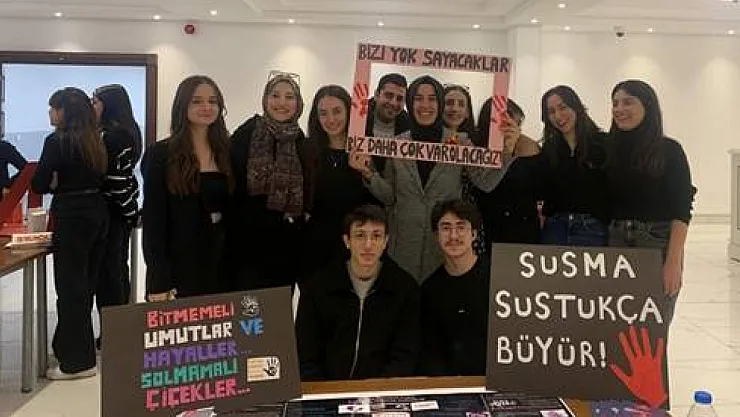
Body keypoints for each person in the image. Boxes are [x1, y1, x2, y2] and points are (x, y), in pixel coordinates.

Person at [350, 75, 509, 282]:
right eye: (418, 98)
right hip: (402, 250)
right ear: (410, 103)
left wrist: (506, 151)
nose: (425, 105)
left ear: (440, 103)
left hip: (443, 251)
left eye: (432, 98)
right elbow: (390, 197)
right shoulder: (397, 144)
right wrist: (368, 173)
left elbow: (485, 183)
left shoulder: (459, 142)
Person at [31, 88, 109, 380]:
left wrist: (54, 183)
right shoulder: (95, 139)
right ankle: (68, 347)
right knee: (84, 286)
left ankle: (78, 362)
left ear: (65, 111)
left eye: (53, 108)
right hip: (97, 211)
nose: (50, 113)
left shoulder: (56, 141)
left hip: (72, 214)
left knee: (69, 288)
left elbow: (39, 183)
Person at [606, 79, 696, 325]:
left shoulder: (670, 150)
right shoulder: (609, 148)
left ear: (648, 106)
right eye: (615, 103)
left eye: (628, 102)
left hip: (656, 243)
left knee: (652, 327)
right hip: (616, 241)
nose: (619, 109)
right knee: (616, 327)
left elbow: (682, 210)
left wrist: (673, 262)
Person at [296, 204, 420, 380]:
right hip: (327, 389)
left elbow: (404, 356)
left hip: (382, 390)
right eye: (360, 235)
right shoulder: (317, 288)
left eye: (376, 236)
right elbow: (306, 352)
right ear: (347, 241)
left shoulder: (404, 289)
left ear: (385, 242)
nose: (368, 245)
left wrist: (378, 389)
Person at [143, 75, 233, 300]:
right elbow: (154, 223)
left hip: (223, 265)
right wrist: (158, 281)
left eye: (212, 101)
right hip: (179, 267)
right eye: (197, 101)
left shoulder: (227, 151)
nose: (206, 107)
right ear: (182, 105)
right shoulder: (161, 154)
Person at [229, 73, 314, 291]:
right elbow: (230, 182)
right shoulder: (247, 132)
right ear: (265, 99)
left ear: (298, 103)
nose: (281, 103)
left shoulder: (301, 141)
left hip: (286, 246)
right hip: (247, 245)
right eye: (275, 95)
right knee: (248, 309)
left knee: (279, 309)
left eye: (289, 97)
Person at [302, 85, 380, 278]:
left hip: (356, 248)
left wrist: (367, 172)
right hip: (315, 249)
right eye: (323, 113)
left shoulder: (367, 149)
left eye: (337, 111)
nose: (330, 119)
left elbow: (382, 198)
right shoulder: (307, 150)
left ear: (349, 112)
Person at [92, 84, 142, 347]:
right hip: (120, 210)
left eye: (95, 102)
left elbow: (116, 179)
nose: (92, 107)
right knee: (117, 271)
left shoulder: (114, 136)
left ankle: (114, 334)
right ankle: (118, 331)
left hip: (113, 212)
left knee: (111, 276)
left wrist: (128, 210)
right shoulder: (126, 132)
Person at [419, 199, 490, 376]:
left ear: (474, 234)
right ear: (436, 235)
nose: (453, 236)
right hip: (450, 385)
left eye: (461, 227)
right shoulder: (429, 290)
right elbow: (431, 351)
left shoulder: (499, 278)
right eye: (446, 228)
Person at [539, 85, 609, 246]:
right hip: (555, 227)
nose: (558, 116)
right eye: (551, 111)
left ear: (576, 107)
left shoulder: (603, 143)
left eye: (563, 107)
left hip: (592, 228)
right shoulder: (549, 148)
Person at [473, 98, 542, 250]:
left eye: (517, 124)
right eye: (509, 124)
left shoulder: (529, 149)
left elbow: (540, 189)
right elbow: (485, 186)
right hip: (489, 231)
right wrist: (507, 152)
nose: (514, 129)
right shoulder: (476, 151)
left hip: (525, 233)